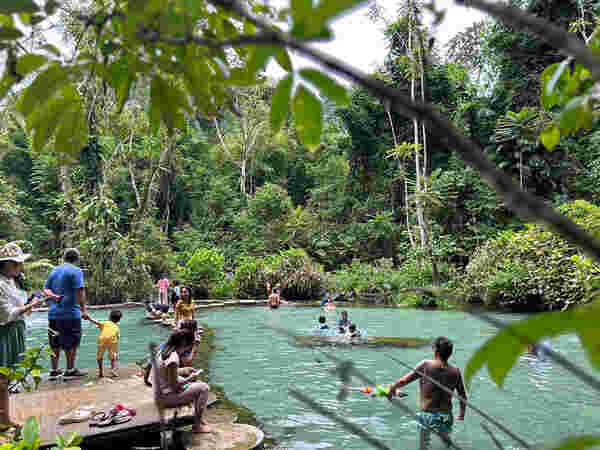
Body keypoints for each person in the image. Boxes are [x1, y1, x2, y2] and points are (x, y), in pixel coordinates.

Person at [387, 337, 467, 449]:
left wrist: (392, 388)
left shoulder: (426, 365)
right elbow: (462, 396)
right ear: (450, 353)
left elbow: (404, 381)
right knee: (446, 443)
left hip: (427, 415)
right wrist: (462, 414)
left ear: (435, 351)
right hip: (446, 416)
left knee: (423, 445)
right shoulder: (455, 371)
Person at [0, 243, 44, 431]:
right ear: (6, 265)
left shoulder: (11, 281)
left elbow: (20, 310)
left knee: (7, 378)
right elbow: (6, 315)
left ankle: (4, 419)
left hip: (15, 331)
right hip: (5, 333)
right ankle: (4, 420)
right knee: (2, 377)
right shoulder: (1, 283)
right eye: (17, 264)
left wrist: (32, 302)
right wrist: (33, 303)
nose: (21, 267)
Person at [153, 329, 215, 433]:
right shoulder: (173, 359)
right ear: (184, 344)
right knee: (204, 388)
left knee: (196, 385)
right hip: (165, 397)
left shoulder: (163, 351)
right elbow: (175, 386)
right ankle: (197, 426)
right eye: (190, 345)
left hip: (160, 391)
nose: (189, 348)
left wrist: (185, 370)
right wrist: (190, 378)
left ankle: (198, 419)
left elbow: (167, 372)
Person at [44, 248, 88, 379]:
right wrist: (84, 310)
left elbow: (46, 288)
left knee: (54, 343)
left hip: (53, 314)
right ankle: (70, 370)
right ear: (77, 259)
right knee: (71, 342)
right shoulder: (76, 271)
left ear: (64, 258)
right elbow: (80, 291)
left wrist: (54, 296)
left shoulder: (54, 270)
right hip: (70, 314)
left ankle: (54, 370)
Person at [144, 320, 200, 387]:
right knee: (200, 386)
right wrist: (195, 347)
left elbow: (152, 364)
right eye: (196, 329)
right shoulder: (173, 356)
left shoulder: (169, 344)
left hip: (152, 378)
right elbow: (186, 362)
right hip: (160, 385)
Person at [85, 310, 122, 378]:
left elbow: (96, 322)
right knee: (113, 356)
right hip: (112, 341)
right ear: (118, 320)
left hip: (102, 340)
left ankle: (101, 372)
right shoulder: (117, 327)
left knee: (100, 356)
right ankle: (113, 370)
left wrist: (89, 318)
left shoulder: (105, 323)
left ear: (109, 317)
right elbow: (118, 336)